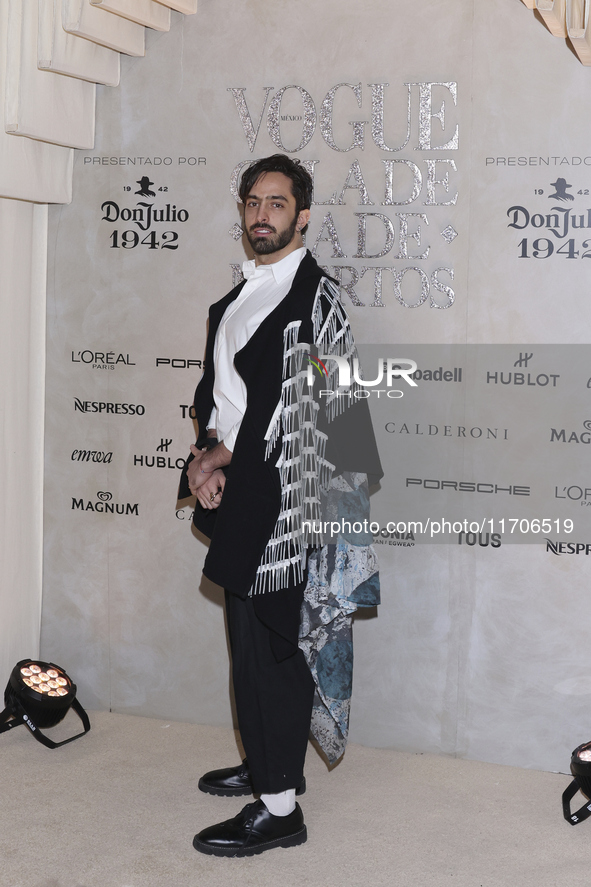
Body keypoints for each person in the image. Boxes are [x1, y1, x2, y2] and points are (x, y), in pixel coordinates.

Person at [179, 154, 381, 858]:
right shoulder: (232, 302)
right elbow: (223, 404)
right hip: (244, 496)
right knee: (248, 643)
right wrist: (204, 455)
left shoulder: (314, 300)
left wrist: (228, 457)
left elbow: (331, 409)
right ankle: (268, 764)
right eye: (251, 201)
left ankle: (279, 809)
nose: (260, 213)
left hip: (292, 504)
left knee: (272, 648)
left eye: (276, 202)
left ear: (301, 215)